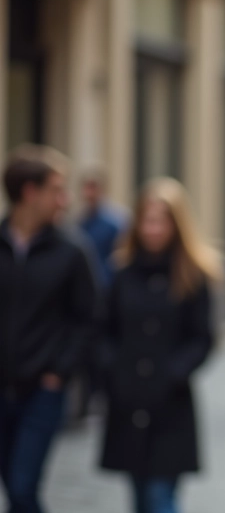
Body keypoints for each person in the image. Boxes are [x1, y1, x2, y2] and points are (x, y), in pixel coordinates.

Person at [97, 178, 220, 513]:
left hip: (170, 404)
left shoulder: (192, 275)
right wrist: (112, 370)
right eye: (147, 220)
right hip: (128, 400)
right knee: (138, 496)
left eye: (161, 221)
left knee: (160, 496)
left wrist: (174, 373)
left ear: (177, 225)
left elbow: (203, 337)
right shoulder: (121, 273)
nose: (153, 229)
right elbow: (104, 329)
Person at [1, 145, 98, 513]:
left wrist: (60, 371)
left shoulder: (72, 251)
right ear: (30, 192)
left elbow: (89, 317)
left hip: (42, 391)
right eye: (57, 190)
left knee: (23, 487)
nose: (65, 200)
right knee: (13, 485)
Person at [70, 169, 127, 423]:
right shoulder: (80, 223)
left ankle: (103, 395)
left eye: (92, 187)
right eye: (86, 188)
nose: (88, 193)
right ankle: (87, 400)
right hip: (86, 296)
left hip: (107, 294)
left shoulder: (115, 222)